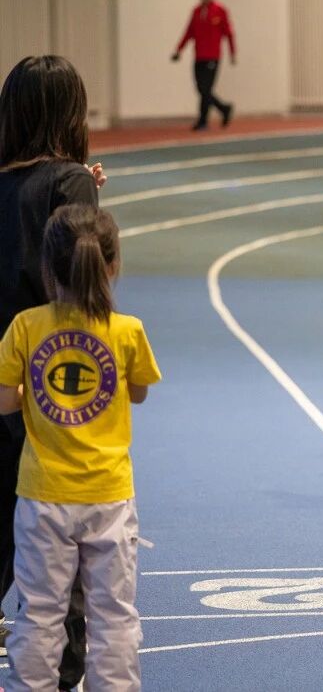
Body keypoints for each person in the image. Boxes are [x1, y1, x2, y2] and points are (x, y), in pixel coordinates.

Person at [0, 203, 161, 691]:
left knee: (40, 612)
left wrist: (35, 393)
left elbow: (5, 401)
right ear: (111, 265)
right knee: (113, 614)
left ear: (47, 268)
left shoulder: (26, 326)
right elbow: (138, 392)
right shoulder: (128, 330)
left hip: (43, 495)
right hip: (107, 496)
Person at [0, 55, 108, 691]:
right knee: (58, 522)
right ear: (72, 113)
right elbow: (77, 276)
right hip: (45, 371)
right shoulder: (70, 181)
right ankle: (65, 670)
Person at [171, 0, 236, 131]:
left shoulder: (220, 11)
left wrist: (233, 53)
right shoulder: (196, 12)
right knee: (201, 89)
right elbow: (189, 32)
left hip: (213, 56)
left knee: (205, 89)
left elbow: (229, 33)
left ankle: (203, 120)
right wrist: (179, 50)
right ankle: (224, 108)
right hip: (199, 56)